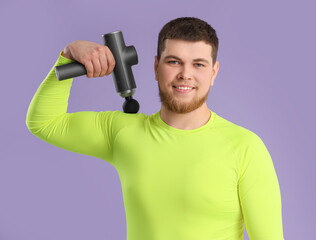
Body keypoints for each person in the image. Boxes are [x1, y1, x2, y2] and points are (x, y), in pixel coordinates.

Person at [26, 17, 285, 240]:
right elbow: (44, 123)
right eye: (174, 62)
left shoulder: (245, 147)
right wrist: (68, 54)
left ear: (213, 72)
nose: (185, 74)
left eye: (198, 64)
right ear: (155, 67)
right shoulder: (123, 132)